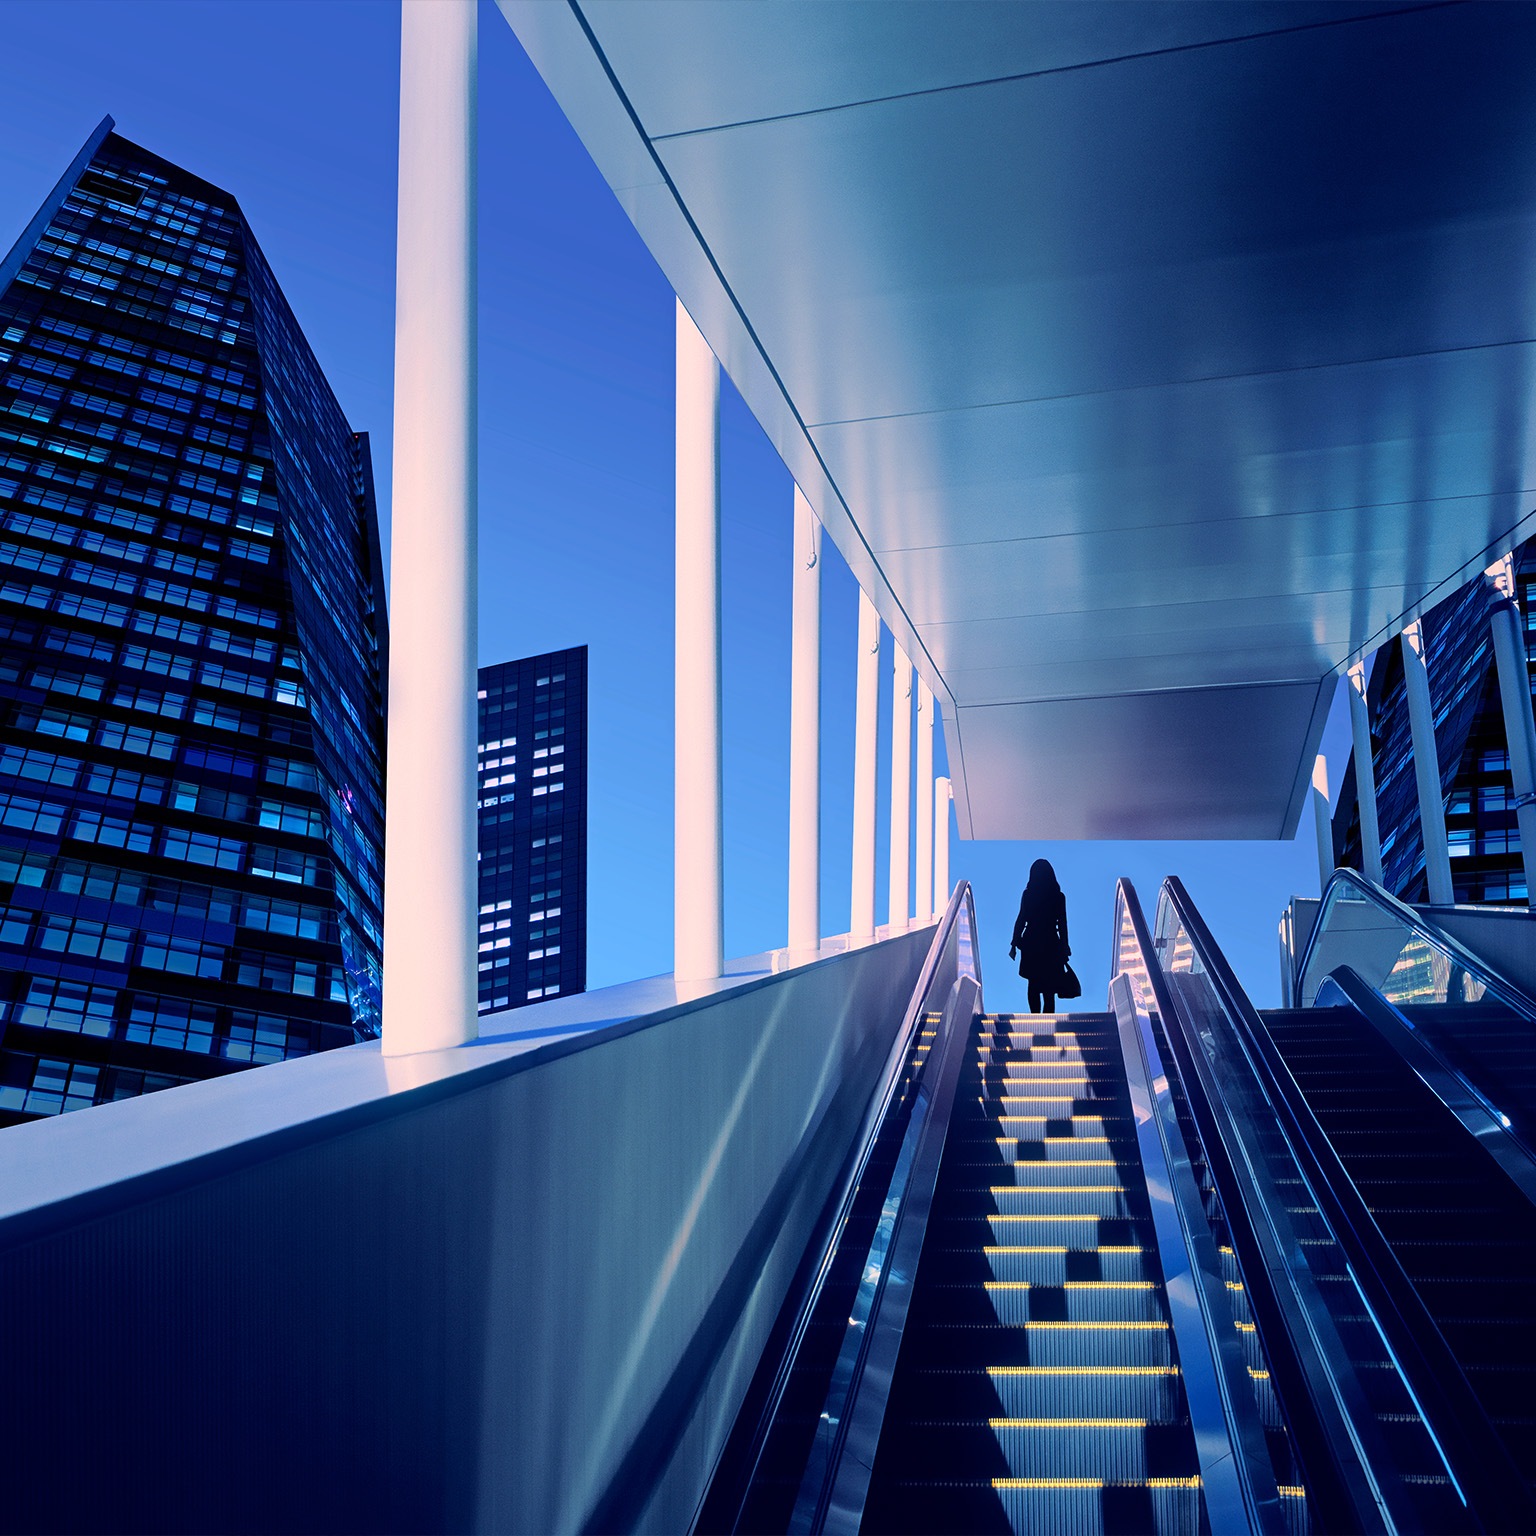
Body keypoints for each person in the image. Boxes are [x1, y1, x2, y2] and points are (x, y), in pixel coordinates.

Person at [1009, 858, 1070, 1013]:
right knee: (1049, 987)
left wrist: (1014, 943)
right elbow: (1062, 924)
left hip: (1031, 942)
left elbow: (1021, 918)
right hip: (1051, 942)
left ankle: (1034, 1016)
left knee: (1033, 983)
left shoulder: (1028, 895)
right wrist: (1064, 946)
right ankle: (1048, 1019)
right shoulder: (1058, 897)